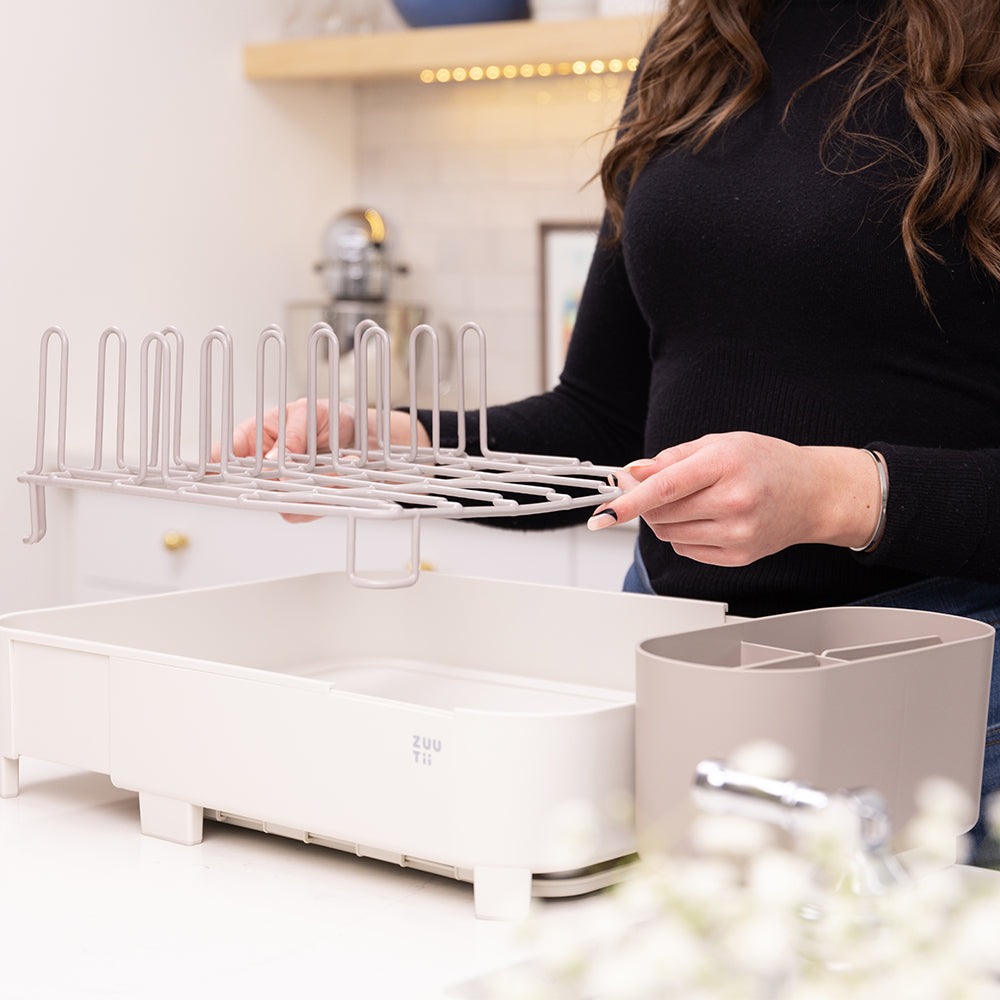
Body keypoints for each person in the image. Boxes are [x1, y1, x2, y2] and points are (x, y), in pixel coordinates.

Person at [229, 0, 1000, 864]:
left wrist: (844, 495)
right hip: (672, 661)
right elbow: (602, 418)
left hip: (943, 684)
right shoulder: (699, 40)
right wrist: (407, 449)